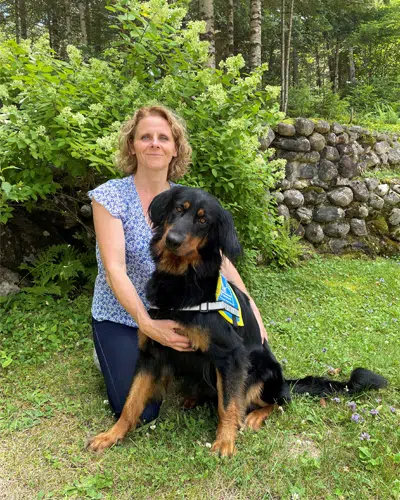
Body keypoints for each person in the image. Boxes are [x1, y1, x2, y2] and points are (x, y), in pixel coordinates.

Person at [88, 105, 268, 421]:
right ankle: (113, 349)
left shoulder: (185, 197)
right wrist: (146, 324)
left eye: (163, 137)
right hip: (123, 313)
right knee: (142, 412)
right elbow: (114, 268)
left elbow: (220, 260)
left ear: (175, 148)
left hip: (171, 308)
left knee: (207, 352)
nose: (154, 143)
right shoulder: (110, 196)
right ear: (132, 145)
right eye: (145, 137)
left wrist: (252, 308)